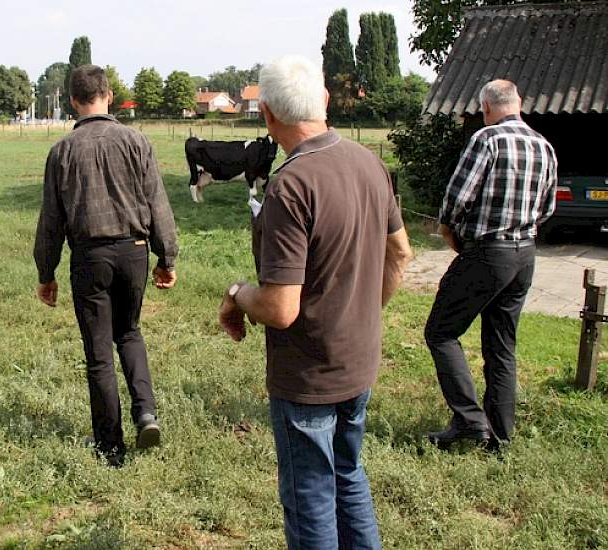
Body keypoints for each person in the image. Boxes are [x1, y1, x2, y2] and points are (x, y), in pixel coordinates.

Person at [218, 55, 412, 549]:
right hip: (359, 361)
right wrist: (361, 314)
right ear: (324, 101)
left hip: (308, 379)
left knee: (310, 496)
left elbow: (282, 308)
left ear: (267, 116)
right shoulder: (371, 163)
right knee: (348, 475)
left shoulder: (291, 185)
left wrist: (238, 295)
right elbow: (401, 252)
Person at [33, 64, 179, 467]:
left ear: (72, 101)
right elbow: (157, 203)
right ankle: (145, 411)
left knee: (98, 353)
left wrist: (46, 273)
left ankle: (110, 447)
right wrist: (166, 257)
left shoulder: (62, 151)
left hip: (89, 257)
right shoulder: (137, 142)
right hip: (134, 251)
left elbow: (51, 221)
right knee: (129, 332)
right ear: (109, 96)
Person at [425, 80, 557, 450]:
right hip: (524, 254)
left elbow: (458, 197)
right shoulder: (544, 146)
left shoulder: (488, 140)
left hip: (488, 251)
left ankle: (469, 421)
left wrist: (450, 230)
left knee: (441, 331)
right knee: (501, 345)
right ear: (520, 104)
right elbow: (547, 208)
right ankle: (501, 435)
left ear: (486, 108)